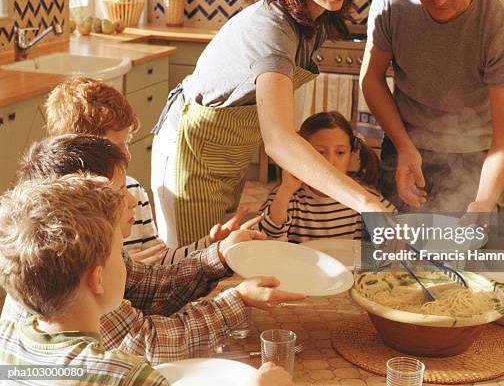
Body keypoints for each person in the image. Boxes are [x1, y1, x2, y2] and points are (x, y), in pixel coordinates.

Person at [151, 0, 390, 248]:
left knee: (217, 251)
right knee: (189, 261)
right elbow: (278, 141)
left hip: (229, 154)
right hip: (190, 153)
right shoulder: (271, 27)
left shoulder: (313, 23)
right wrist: (364, 201)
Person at [1, 134, 305, 366]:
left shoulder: (82, 251)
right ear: (82, 203)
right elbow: (151, 345)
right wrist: (236, 301)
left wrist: (220, 255)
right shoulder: (69, 285)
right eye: (120, 193)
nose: (132, 201)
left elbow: (150, 285)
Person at [360, 0, 504, 213]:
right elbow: (371, 80)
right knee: (394, 244)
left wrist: (483, 202)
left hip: (476, 156)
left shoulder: (501, 20)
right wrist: (404, 146)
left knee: (465, 246)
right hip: (403, 141)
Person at [46, 76, 259, 263]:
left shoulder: (133, 191)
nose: (127, 155)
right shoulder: (57, 214)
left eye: (127, 141)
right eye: (115, 146)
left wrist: (212, 245)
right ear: (79, 150)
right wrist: (122, 269)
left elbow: (160, 259)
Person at [0, 174, 169, 385]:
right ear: (97, 278)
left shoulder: (6, 339)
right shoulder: (128, 377)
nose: (124, 260)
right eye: (119, 252)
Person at [259, 111, 394, 243]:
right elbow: (266, 238)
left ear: (352, 154)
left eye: (340, 152)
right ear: (301, 154)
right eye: (320, 153)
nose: (330, 162)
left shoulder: (364, 197)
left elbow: (397, 229)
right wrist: (286, 190)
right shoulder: (289, 196)